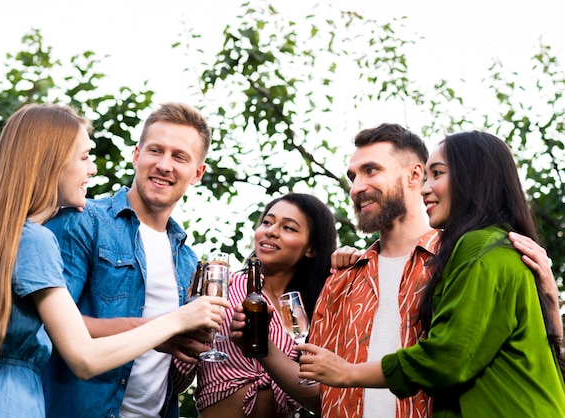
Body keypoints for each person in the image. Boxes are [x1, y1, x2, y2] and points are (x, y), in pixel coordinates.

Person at [229, 123, 559, 418]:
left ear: (416, 175)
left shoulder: (463, 259)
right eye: (352, 177)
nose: (356, 187)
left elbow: (475, 361)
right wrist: (264, 348)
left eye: (371, 170)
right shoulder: (342, 278)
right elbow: (323, 393)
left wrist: (550, 304)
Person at [0, 104, 228, 418]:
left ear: (198, 172)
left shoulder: (1, 234)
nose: (92, 169)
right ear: (52, 162)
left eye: (179, 156)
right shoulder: (52, 233)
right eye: (84, 157)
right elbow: (82, 355)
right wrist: (174, 323)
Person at [39, 102, 218, 418]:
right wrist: (165, 328)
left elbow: (171, 373)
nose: (164, 165)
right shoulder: (84, 222)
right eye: (155, 151)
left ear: (197, 173)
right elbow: (51, 328)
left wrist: (198, 350)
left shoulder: (189, 262)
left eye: (179, 157)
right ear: (137, 155)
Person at [176, 193, 337, 417]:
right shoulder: (225, 290)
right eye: (267, 222)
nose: (270, 231)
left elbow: (324, 398)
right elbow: (176, 382)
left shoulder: (312, 313)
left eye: (288, 228)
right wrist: (189, 321)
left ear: (312, 248)